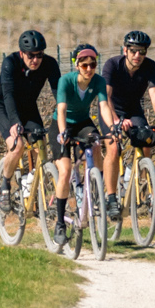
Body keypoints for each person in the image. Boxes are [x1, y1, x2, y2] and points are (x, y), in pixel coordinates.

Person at [96, 31, 155, 224]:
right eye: (134, 51)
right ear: (125, 50)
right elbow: (106, 96)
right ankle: (111, 198)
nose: (138, 56)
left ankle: (134, 178)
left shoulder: (150, 66)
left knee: (147, 139)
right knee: (113, 146)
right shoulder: (112, 65)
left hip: (133, 109)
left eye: (142, 52)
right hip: (110, 109)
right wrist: (117, 121)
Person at [0, 29, 56, 196]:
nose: (35, 60)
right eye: (30, 55)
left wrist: (66, 117)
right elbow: (8, 95)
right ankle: (4, 185)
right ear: (21, 53)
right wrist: (14, 122)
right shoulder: (10, 63)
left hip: (28, 107)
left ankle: (30, 184)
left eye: (39, 55)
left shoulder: (50, 64)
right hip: (4, 107)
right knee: (17, 146)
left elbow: (58, 93)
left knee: (40, 147)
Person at [50, 43, 108, 231]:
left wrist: (113, 127)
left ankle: (96, 187)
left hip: (83, 122)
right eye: (84, 65)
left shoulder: (98, 81)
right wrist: (62, 131)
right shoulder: (66, 81)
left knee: (97, 143)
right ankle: (60, 224)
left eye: (93, 64)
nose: (89, 69)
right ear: (77, 65)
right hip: (62, 124)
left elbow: (104, 107)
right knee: (65, 170)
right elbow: (61, 110)